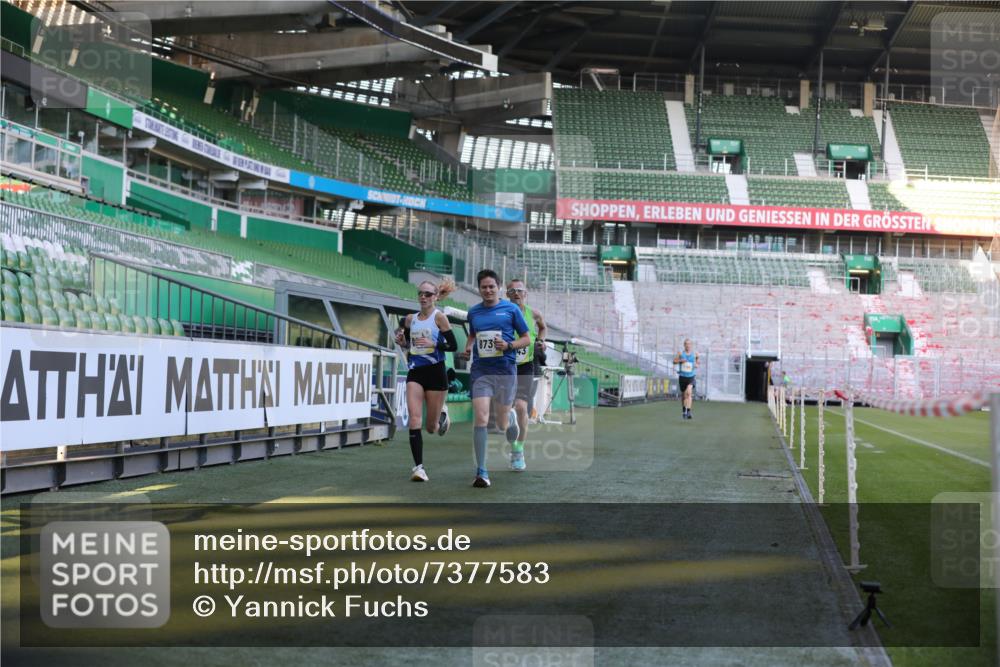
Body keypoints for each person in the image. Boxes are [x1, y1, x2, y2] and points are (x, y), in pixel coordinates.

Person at [461, 269, 530, 488]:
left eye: (492, 286)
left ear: (498, 288)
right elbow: (473, 334)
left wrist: (509, 345)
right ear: (479, 289)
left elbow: (526, 338)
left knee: (501, 424)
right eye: (484, 287)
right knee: (480, 418)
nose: (488, 290)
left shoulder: (510, 309)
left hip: (505, 371)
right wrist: (469, 347)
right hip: (481, 370)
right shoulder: (474, 312)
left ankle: (509, 420)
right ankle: (481, 471)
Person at [394, 278, 458, 482]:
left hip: (436, 372)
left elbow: (453, 346)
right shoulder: (410, 319)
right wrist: (402, 342)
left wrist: (435, 343)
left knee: (431, 428)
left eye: (428, 294)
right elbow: (406, 341)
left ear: (436, 297)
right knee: (414, 419)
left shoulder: (440, 319)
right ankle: (418, 468)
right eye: (420, 293)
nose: (423, 297)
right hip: (416, 372)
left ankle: (442, 414)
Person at [505, 278, 547, 472]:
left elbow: (543, 327)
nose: (516, 293)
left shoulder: (534, 314)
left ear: (525, 294)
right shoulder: (501, 313)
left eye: (519, 290)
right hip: (504, 365)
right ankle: (509, 420)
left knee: (521, 407)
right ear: (507, 295)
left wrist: (540, 341)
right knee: (504, 411)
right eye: (512, 291)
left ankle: (518, 450)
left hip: (524, 366)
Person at [673, 339, 699, 420]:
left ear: (691, 345)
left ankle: (689, 411)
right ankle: (684, 410)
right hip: (682, 377)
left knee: (689, 393)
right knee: (684, 396)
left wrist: (697, 362)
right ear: (684, 345)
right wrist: (681, 360)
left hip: (691, 377)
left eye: (689, 344)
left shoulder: (694, 354)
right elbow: (674, 361)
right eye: (686, 344)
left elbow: (697, 364)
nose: (688, 345)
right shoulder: (680, 353)